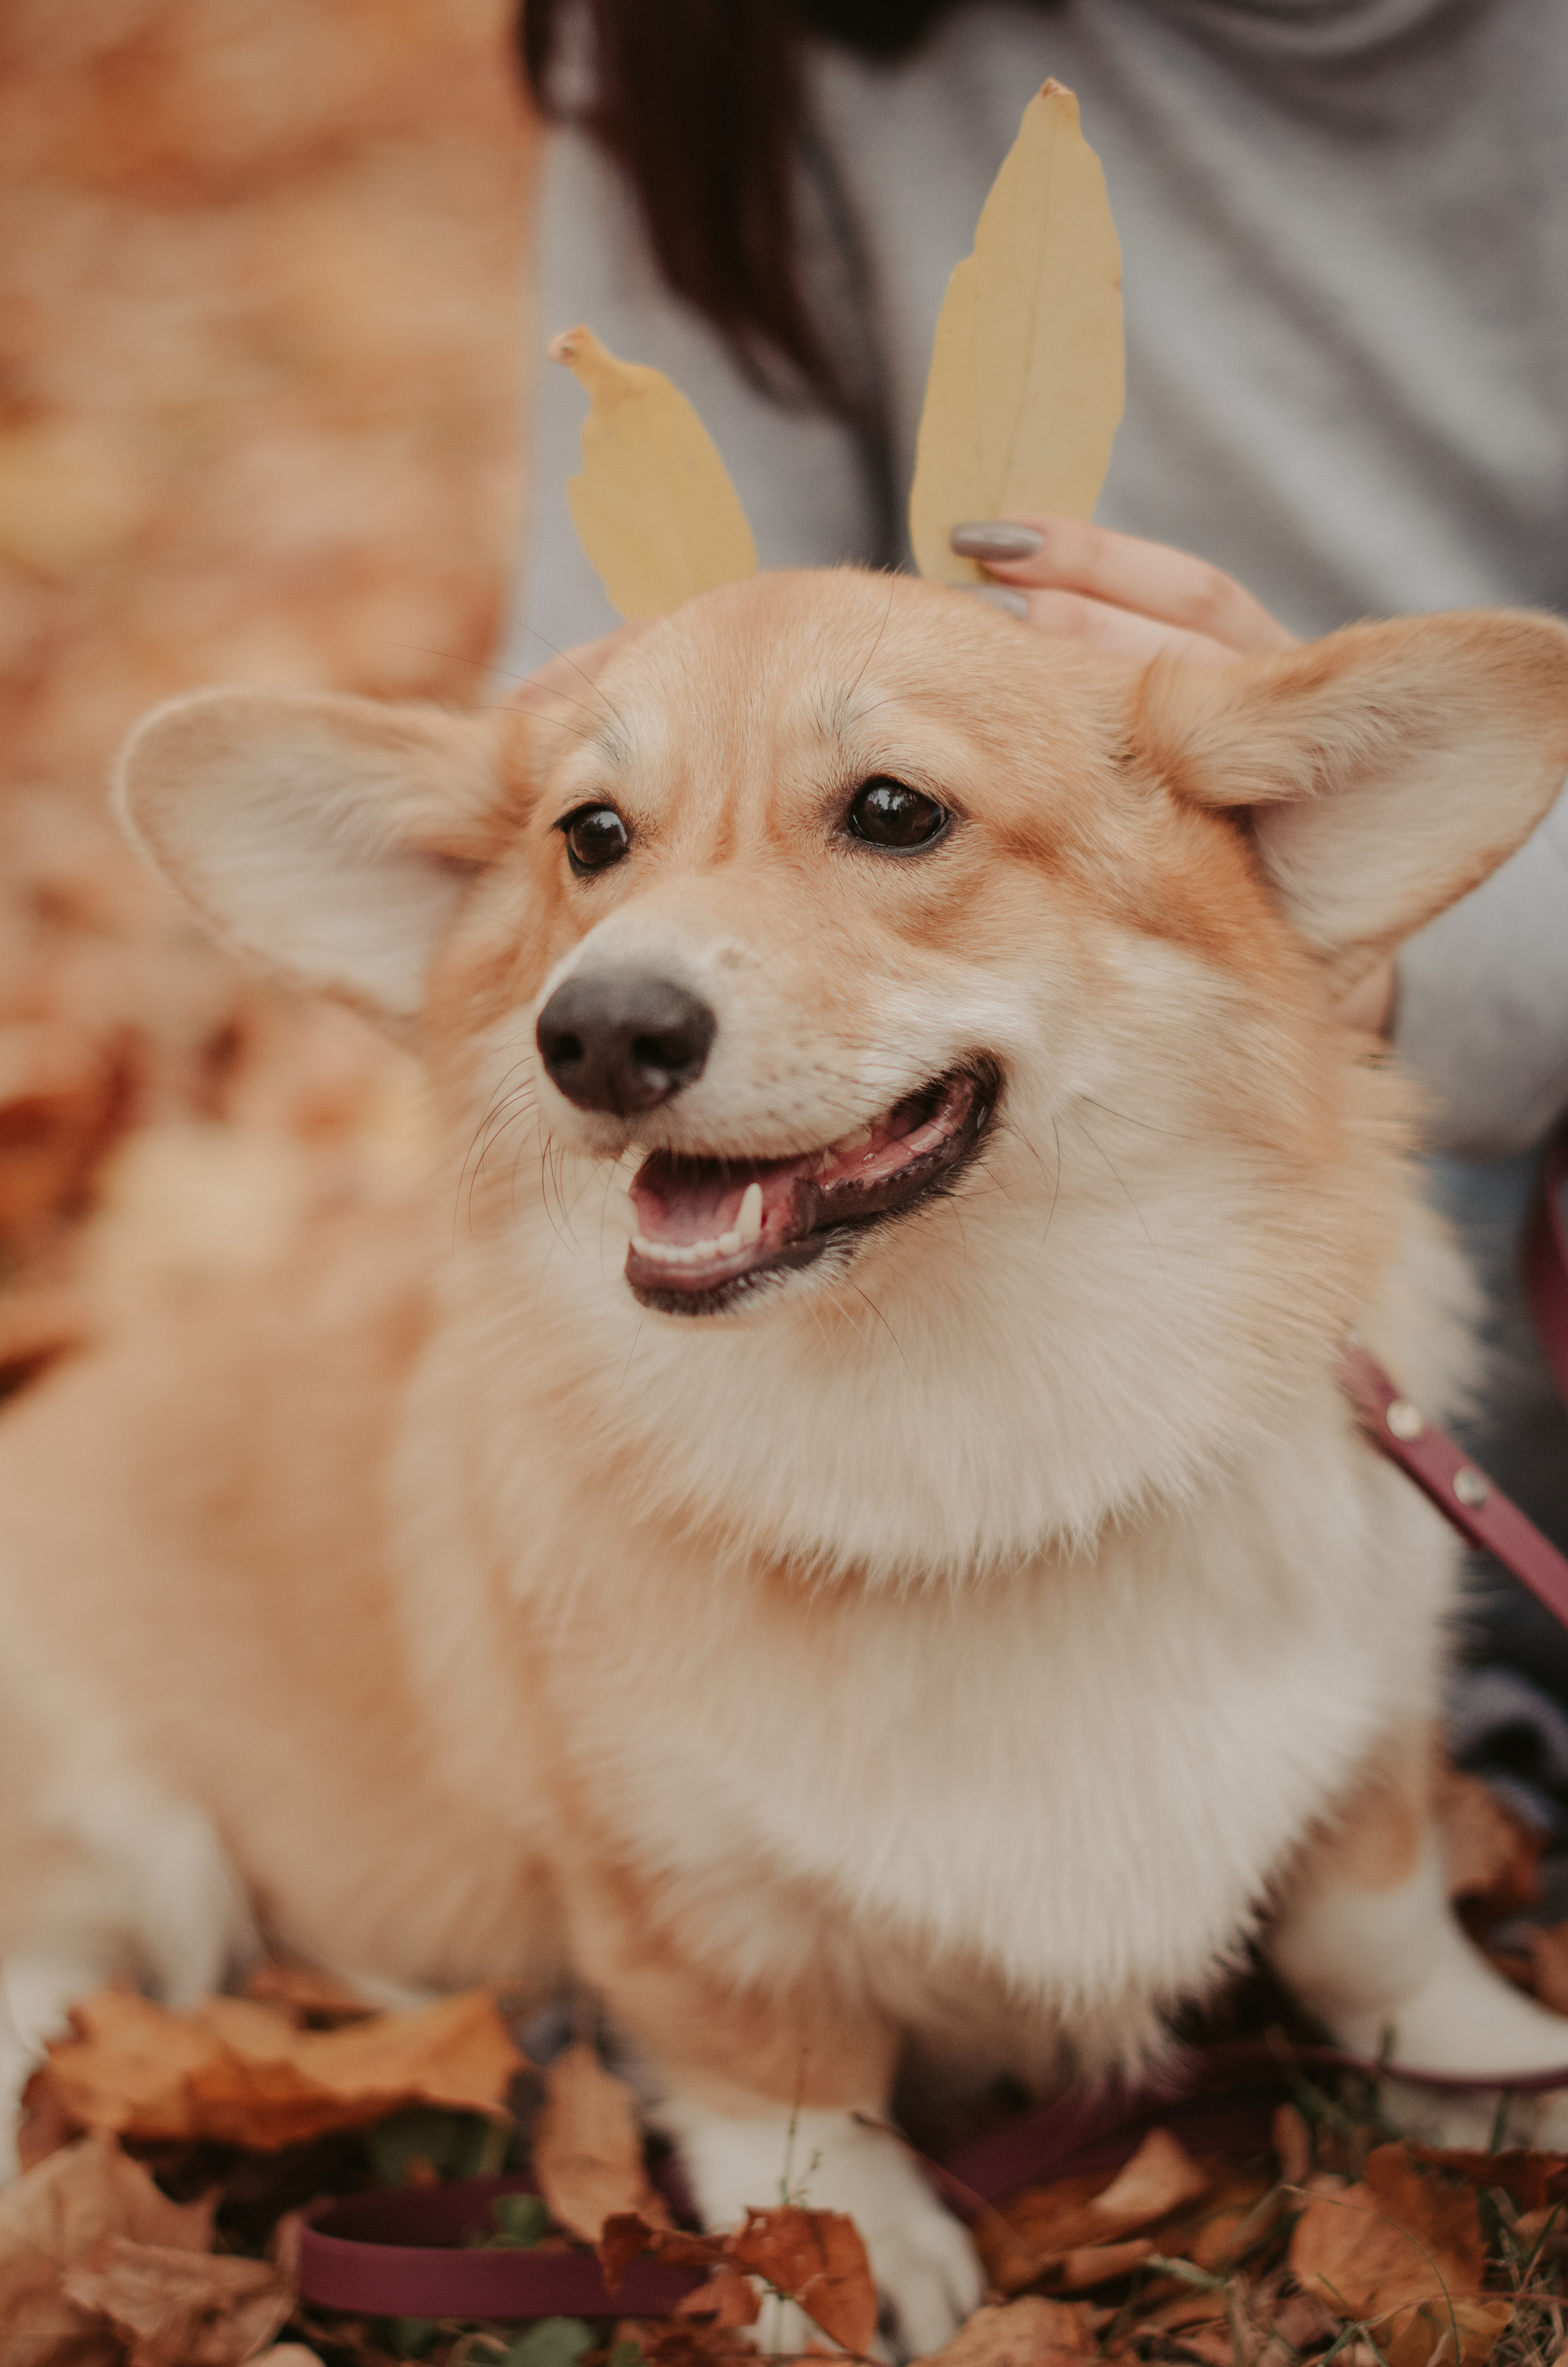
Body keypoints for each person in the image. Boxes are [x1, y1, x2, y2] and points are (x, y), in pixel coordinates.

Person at [505, 0, 1568, 1826]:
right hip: (1089, 1048)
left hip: (1375, 960)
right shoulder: (725, 44)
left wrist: (1318, 884)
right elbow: (608, 693)